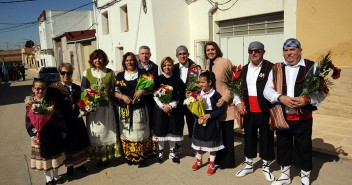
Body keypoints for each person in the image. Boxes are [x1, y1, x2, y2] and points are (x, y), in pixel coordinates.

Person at [264, 38, 325, 185]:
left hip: (303, 117)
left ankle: (305, 174)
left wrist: (307, 100)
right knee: (283, 145)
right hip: (282, 115)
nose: (289, 53)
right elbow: (267, 90)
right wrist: (280, 97)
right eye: (286, 50)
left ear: (300, 51)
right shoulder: (276, 68)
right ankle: (285, 176)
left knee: (303, 146)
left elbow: (321, 92)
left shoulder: (312, 67)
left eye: (292, 49)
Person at [233, 41, 275, 181]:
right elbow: (236, 89)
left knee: (266, 139)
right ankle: (249, 165)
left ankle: (266, 166)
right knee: (249, 137)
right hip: (248, 111)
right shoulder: (243, 69)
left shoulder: (271, 67)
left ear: (263, 52)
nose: (254, 53)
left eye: (257, 50)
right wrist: (238, 103)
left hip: (265, 110)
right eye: (251, 51)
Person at [114, 52, 156, 167]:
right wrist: (123, 97)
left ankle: (142, 158)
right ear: (124, 62)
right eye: (127, 60)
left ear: (135, 61)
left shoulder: (143, 74)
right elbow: (116, 92)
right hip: (125, 109)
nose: (129, 62)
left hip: (139, 108)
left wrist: (142, 91)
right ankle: (130, 156)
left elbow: (151, 90)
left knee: (139, 133)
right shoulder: (120, 76)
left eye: (132, 60)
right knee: (127, 133)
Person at [81, 49, 122, 167]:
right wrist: (88, 103)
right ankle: (98, 157)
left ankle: (107, 157)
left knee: (108, 130)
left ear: (104, 59)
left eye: (100, 58)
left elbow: (114, 89)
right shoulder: (87, 72)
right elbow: (83, 89)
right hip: (93, 109)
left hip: (107, 108)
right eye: (95, 58)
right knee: (96, 131)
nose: (97, 60)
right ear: (92, 60)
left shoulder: (110, 73)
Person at [49, 63, 90, 176]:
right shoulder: (53, 88)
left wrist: (87, 108)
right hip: (63, 122)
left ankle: (82, 165)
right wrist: (30, 101)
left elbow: (83, 103)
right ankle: (70, 167)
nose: (66, 75)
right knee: (67, 145)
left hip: (77, 120)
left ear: (72, 74)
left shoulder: (77, 88)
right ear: (60, 73)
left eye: (68, 73)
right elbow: (43, 98)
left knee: (80, 143)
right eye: (63, 73)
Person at [25, 78, 67, 185]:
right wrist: (33, 134)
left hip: (53, 134)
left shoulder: (51, 101)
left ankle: (56, 176)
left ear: (46, 89)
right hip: (39, 136)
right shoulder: (31, 103)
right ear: (33, 89)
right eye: (37, 88)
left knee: (55, 156)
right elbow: (28, 120)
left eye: (43, 88)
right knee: (45, 159)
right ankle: (48, 178)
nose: (40, 91)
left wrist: (62, 130)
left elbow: (59, 116)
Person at [204, 41, 236, 169]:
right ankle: (217, 158)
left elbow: (232, 83)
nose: (210, 52)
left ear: (217, 50)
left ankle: (228, 162)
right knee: (217, 134)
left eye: (212, 49)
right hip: (213, 106)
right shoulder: (207, 64)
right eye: (208, 50)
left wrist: (225, 98)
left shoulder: (225, 62)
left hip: (225, 104)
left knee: (227, 134)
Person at [191, 71, 226, 175]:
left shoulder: (215, 94)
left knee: (212, 143)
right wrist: (197, 117)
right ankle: (199, 160)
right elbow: (193, 108)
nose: (201, 84)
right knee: (199, 142)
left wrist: (210, 116)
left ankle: (211, 163)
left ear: (210, 82)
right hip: (200, 120)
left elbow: (221, 109)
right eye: (200, 82)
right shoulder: (197, 93)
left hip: (211, 121)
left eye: (203, 82)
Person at [153, 57, 185, 164]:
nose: (167, 67)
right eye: (165, 65)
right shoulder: (157, 79)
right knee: (161, 130)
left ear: (172, 66)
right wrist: (163, 106)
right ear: (162, 67)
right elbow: (154, 95)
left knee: (172, 130)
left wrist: (171, 105)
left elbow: (180, 95)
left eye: (169, 65)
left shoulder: (177, 80)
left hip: (173, 110)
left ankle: (172, 152)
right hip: (160, 109)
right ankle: (160, 152)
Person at [172, 45, 201, 155]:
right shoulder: (173, 68)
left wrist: (193, 94)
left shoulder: (195, 68)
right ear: (177, 56)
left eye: (184, 53)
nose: (182, 55)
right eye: (180, 54)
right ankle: (178, 146)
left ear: (188, 54)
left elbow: (199, 84)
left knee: (192, 124)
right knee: (178, 124)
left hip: (191, 101)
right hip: (178, 102)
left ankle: (195, 146)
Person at [138, 45, 161, 130]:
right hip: (139, 99)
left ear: (150, 55)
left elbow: (158, 84)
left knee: (152, 122)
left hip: (151, 100)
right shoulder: (135, 68)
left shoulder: (155, 67)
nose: (144, 55)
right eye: (142, 53)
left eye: (147, 53)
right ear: (139, 55)